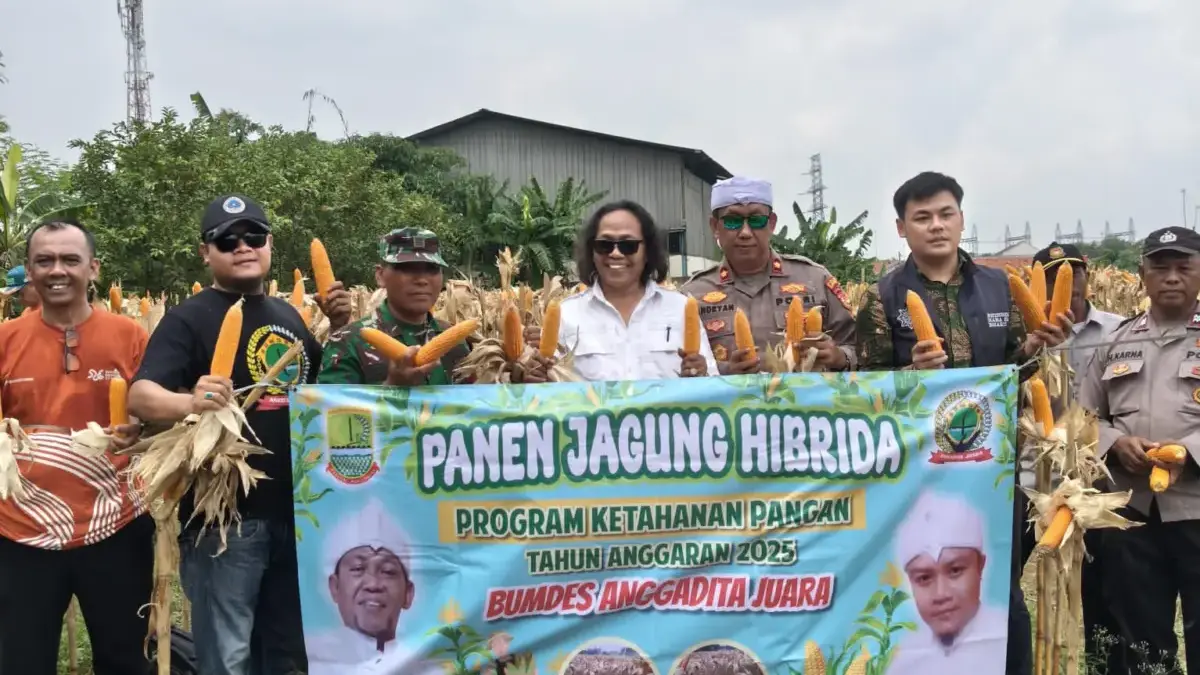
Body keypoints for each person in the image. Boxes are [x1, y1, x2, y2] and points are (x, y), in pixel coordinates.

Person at [856, 172, 1074, 675]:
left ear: (961, 218)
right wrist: (913, 373)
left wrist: (1040, 347)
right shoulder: (882, 296)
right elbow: (866, 388)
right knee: (922, 584)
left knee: (999, 587)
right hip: (917, 473)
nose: (936, 226)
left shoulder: (1000, 287)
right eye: (922, 217)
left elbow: (1021, 368)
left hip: (993, 469)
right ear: (901, 227)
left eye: (945, 214)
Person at [128, 194, 352, 675]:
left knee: (288, 652)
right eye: (227, 239)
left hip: (297, 516)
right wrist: (192, 402)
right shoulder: (189, 318)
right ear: (206, 252)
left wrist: (341, 327)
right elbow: (142, 397)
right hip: (226, 523)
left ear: (270, 244)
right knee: (229, 659)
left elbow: (322, 392)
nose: (243, 246)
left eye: (254, 236)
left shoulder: (287, 316)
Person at [0, 219, 149, 675]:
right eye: (44, 261)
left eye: (70, 259)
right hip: (21, 531)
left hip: (117, 525)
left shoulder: (131, 337)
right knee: (21, 661)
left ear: (94, 268)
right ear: (29, 270)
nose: (56, 270)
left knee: (125, 658)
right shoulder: (5, 341)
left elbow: (161, 418)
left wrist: (142, 430)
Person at [1078, 226, 1200, 674]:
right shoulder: (1116, 340)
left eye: (1183, 267)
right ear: (1141, 275)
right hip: (1130, 512)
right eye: (1160, 267)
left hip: (1196, 509)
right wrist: (1114, 444)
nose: (1171, 277)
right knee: (1142, 640)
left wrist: (1189, 450)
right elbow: (1083, 417)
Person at [1017, 242, 1122, 661]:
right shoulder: (1023, 341)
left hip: (1096, 467)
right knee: (1021, 567)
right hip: (1035, 467)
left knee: (1098, 575)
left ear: (1086, 275)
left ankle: (1098, 655)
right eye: (1055, 274)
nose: (1069, 283)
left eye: (1073, 272)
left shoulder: (1119, 330)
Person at [680, 176, 856, 374]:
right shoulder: (690, 296)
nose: (745, 232)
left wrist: (840, 357)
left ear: (771, 224)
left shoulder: (815, 279)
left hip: (805, 402)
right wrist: (723, 370)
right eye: (732, 221)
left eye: (756, 220)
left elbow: (861, 349)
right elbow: (677, 365)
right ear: (715, 227)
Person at [319, 227, 523, 386]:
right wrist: (392, 388)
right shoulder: (348, 342)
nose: (422, 279)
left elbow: (475, 411)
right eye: (407, 268)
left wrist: (521, 376)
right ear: (380, 275)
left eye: (432, 269)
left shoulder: (456, 343)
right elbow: (330, 423)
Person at [545, 200, 718, 381]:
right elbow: (547, 388)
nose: (616, 253)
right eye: (605, 245)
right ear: (592, 252)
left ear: (647, 251)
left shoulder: (680, 308)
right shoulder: (565, 314)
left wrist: (701, 373)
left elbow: (712, 382)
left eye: (628, 245)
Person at [307, 498, 441, 675]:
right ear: (335, 587)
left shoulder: (431, 668)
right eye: (357, 569)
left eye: (387, 571)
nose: (373, 584)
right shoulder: (308, 656)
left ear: (408, 594)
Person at [887, 490, 1007, 675]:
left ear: (980, 567)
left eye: (955, 571)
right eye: (924, 578)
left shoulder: (1007, 639)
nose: (941, 594)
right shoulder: (903, 659)